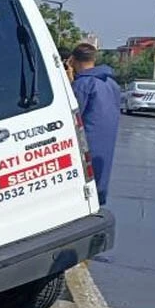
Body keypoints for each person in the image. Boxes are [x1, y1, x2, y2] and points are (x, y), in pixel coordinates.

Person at [68, 42, 120, 205]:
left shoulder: (83, 84)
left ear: (73, 60)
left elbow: (72, 114)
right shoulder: (111, 83)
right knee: (99, 182)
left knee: (84, 185)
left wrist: (70, 83)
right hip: (106, 143)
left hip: (86, 142)